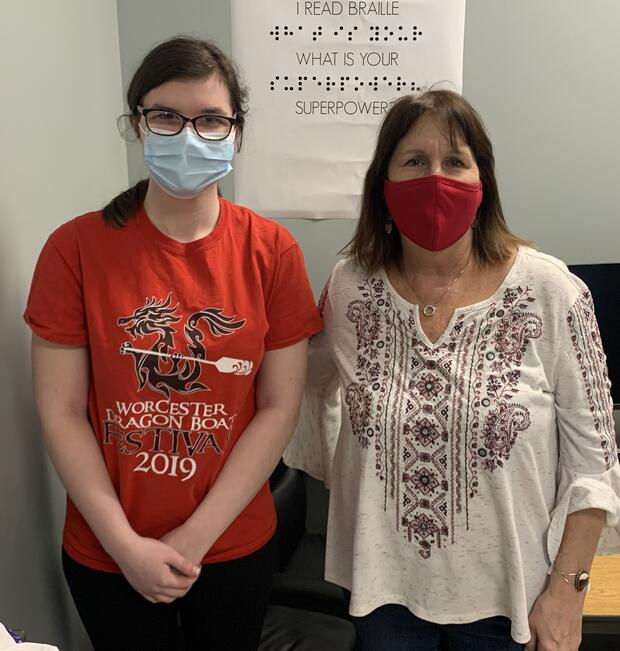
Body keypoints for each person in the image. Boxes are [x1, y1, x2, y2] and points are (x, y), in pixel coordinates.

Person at [284, 89, 620, 651]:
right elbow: (300, 382)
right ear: (383, 185)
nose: (435, 178)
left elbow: (597, 465)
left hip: (514, 599)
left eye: (455, 162)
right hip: (381, 594)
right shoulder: (348, 287)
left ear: (481, 182)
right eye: (414, 161)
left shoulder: (553, 291)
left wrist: (568, 592)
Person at [25, 36, 322, 651]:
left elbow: (278, 409)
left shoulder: (273, 253)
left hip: (232, 544)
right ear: (138, 124)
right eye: (166, 115)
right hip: (108, 549)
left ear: (235, 132)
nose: (189, 135)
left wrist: (193, 539)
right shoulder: (73, 250)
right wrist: (126, 546)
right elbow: (60, 412)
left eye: (211, 119)